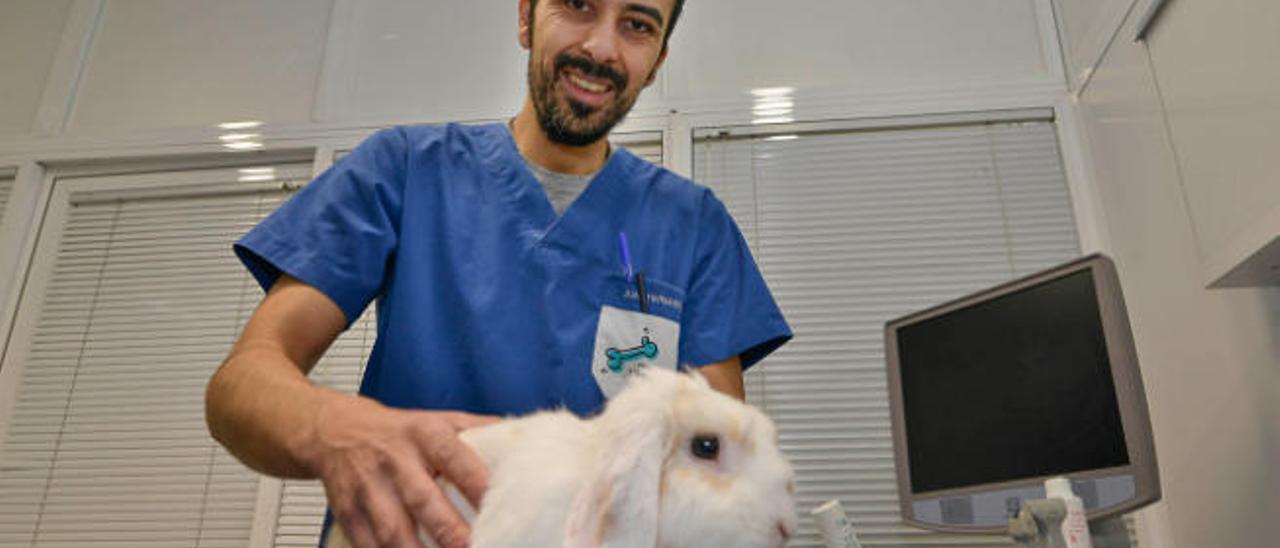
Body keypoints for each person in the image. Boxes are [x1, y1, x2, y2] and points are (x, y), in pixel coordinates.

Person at [205, 1, 791, 547]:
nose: (601, 47)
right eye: (576, 3)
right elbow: (241, 387)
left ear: (658, 61)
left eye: (637, 24)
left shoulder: (694, 226)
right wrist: (338, 428)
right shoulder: (406, 171)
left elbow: (717, 467)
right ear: (525, 17)